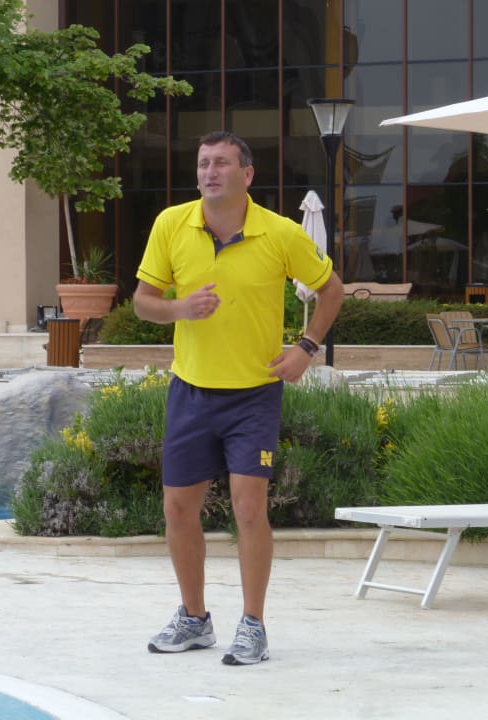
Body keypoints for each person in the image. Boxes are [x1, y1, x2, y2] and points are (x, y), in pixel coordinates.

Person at [133, 130, 344, 665]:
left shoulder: (280, 232)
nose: (210, 172)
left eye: (222, 163)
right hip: (190, 390)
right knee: (178, 509)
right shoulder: (171, 224)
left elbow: (332, 289)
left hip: (254, 395)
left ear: (246, 174)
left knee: (249, 508)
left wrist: (306, 348)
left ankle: (253, 625)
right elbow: (142, 302)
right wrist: (180, 309)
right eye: (203, 162)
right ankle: (194, 618)